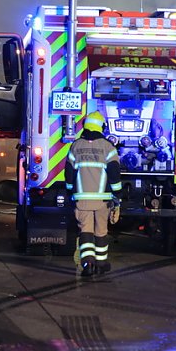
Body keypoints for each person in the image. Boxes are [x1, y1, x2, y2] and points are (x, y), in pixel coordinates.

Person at [65, 111, 123, 277]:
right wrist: (117, 195)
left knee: (85, 231)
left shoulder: (76, 146)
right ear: (101, 127)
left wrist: (70, 190)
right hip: (102, 200)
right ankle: (101, 263)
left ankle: (87, 264)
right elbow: (114, 174)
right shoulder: (108, 147)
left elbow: (69, 172)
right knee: (101, 231)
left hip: (81, 199)